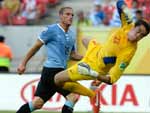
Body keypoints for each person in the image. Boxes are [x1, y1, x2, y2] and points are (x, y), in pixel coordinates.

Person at [54, 0, 150, 99]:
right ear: (134, 27)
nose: (137, 36)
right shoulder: (127, 25)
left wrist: (94, 74)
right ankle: (84, 60)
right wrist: (126, 10)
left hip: (94, 67)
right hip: (97, 50)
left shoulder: (128, 53)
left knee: (57, 79)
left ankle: (91, 94)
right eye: (138, 31)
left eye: (141, 36)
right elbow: (119, 2)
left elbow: (112, 79)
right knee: (85, 39)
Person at [16, 7, 83, 113]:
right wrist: (23, 63)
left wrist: (87, 58)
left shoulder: (71, 35)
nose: (70, 17)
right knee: (73, 96)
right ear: (61, 16)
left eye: (72, 15)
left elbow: (73, 55)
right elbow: (36, 47)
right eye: (67, 14)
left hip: (55, 72)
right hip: (53, 71)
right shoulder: (51, 30)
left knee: (37, 103)